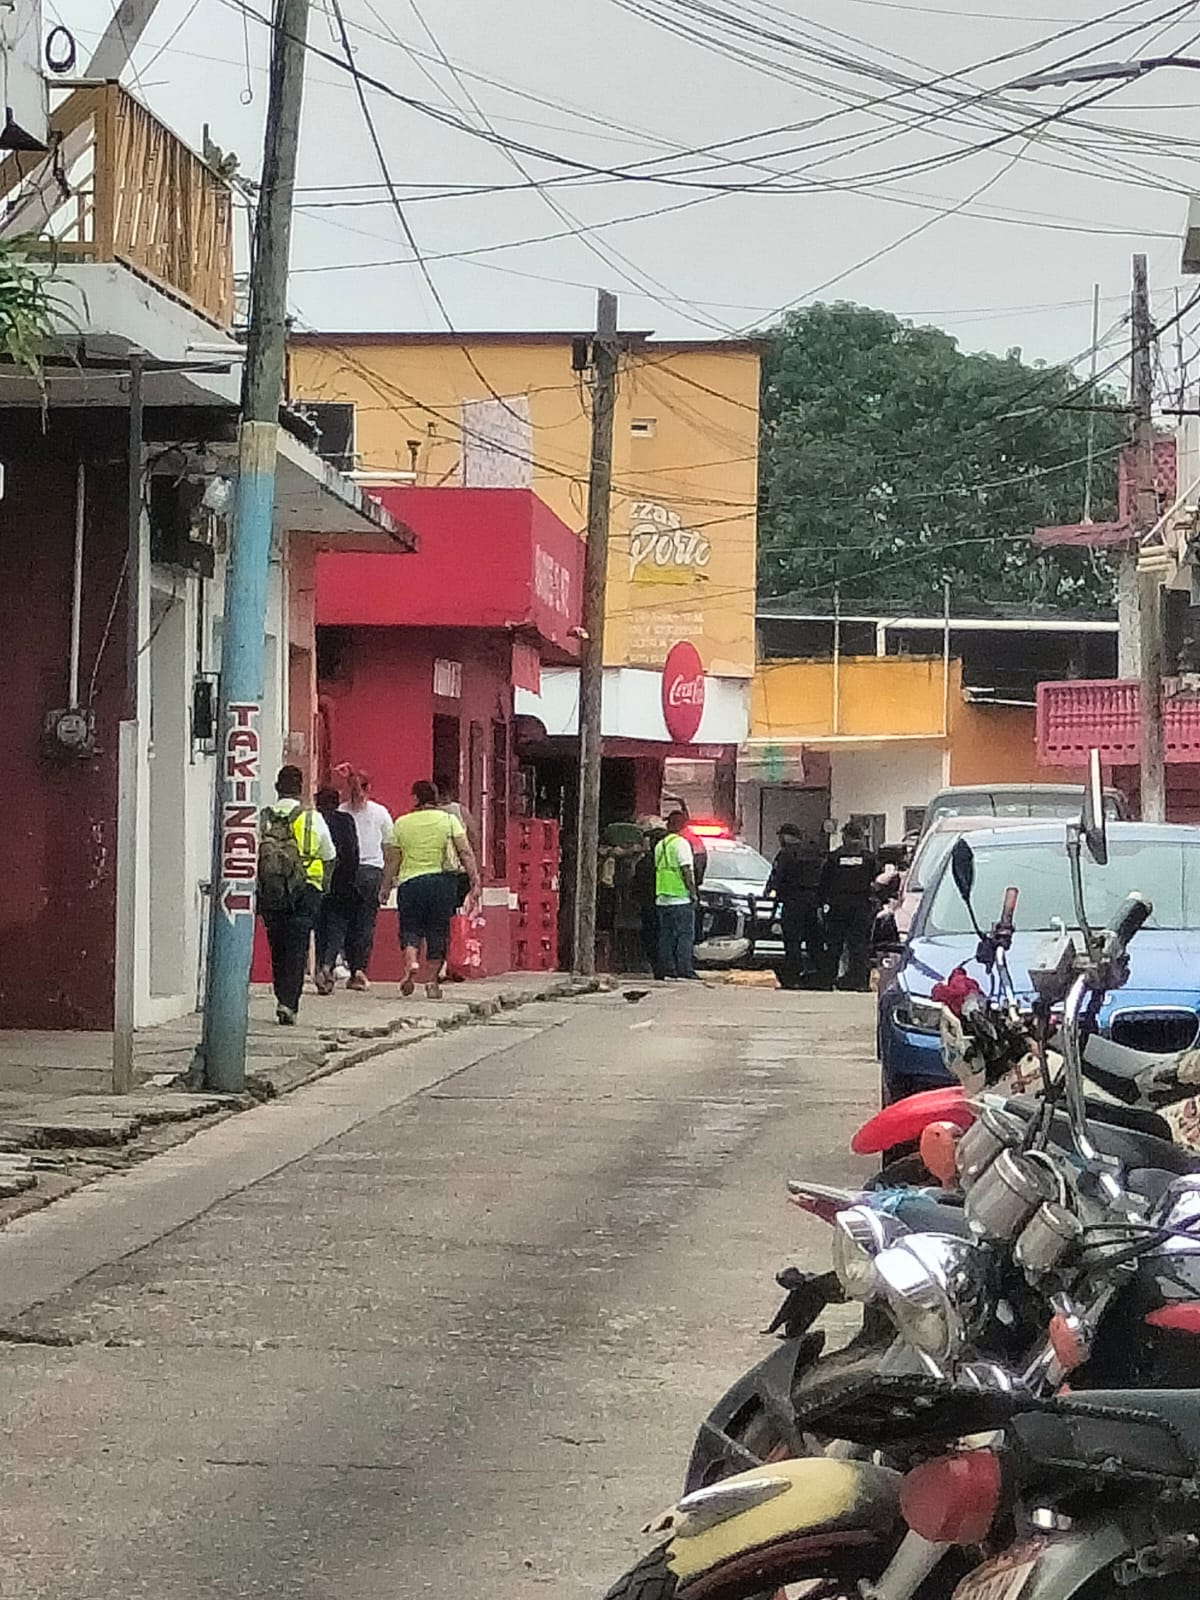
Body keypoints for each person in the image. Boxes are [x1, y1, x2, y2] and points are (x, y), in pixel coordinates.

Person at [381, 780, 481, 999]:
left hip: (410, 883)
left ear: (416, 798)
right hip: (442, 883)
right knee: (438, 931)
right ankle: (432, 981)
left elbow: (392, 860)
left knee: (410, 928)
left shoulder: (401, 823)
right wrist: (475, 881)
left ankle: (411, 963)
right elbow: (465, 852)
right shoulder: (449, 820)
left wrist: (385, 887)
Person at [258, 766, 336, 1025]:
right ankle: (288, 1003)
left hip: (272, 888)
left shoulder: (263, 818)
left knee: (277, 944)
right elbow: (329, 854)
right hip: (306, 889)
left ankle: (282, 994)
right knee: (297, 946)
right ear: (301, 789)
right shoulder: (312, 818)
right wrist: (323, 886)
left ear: (277, 788)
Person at [337, 768, 393, 990]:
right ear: (369, 788)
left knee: (346, 921)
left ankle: (352, 966)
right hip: (372, 871)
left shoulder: (341, 811)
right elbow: (389, 847)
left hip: (347, 872)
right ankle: (359, 968)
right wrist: (388, 880)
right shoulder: (380, 813)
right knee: (365, 922)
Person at [818, 820, 879, 992]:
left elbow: (824, 883)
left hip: (838, 906)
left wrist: (821, 905)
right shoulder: (869, 858)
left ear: (844, 836)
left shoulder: (834, 857)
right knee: (859, 946)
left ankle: (827, 980)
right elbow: (878, 882)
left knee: (834, 945)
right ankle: (860, 981)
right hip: (860, 906)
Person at [313, 786, 360, 995]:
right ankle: (328, 963)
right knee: (338, 927)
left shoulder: (314, 820)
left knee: (320, 927)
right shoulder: (346, 821)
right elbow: (353, 851)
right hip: (342, 881)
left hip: (318, 879)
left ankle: (319, 967)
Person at [765, 822, 822, 990]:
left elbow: (777, 877)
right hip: (813, 902)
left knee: (792, 941)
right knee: (814, 941)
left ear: (787, 836)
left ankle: (793, 978)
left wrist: (770, 891)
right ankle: (817, 976)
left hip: (792, 902)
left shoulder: (786, 854)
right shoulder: (814, 851)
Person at [655, 810, 699, 981]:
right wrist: (693, 893)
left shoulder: (660, 845)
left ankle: (667, 968)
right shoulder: (681, 844)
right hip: (680, 897)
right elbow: (686, 870)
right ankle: (684, 969)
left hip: (662, 898)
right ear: (683, 825)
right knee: (685, 934)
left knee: (665, 936)